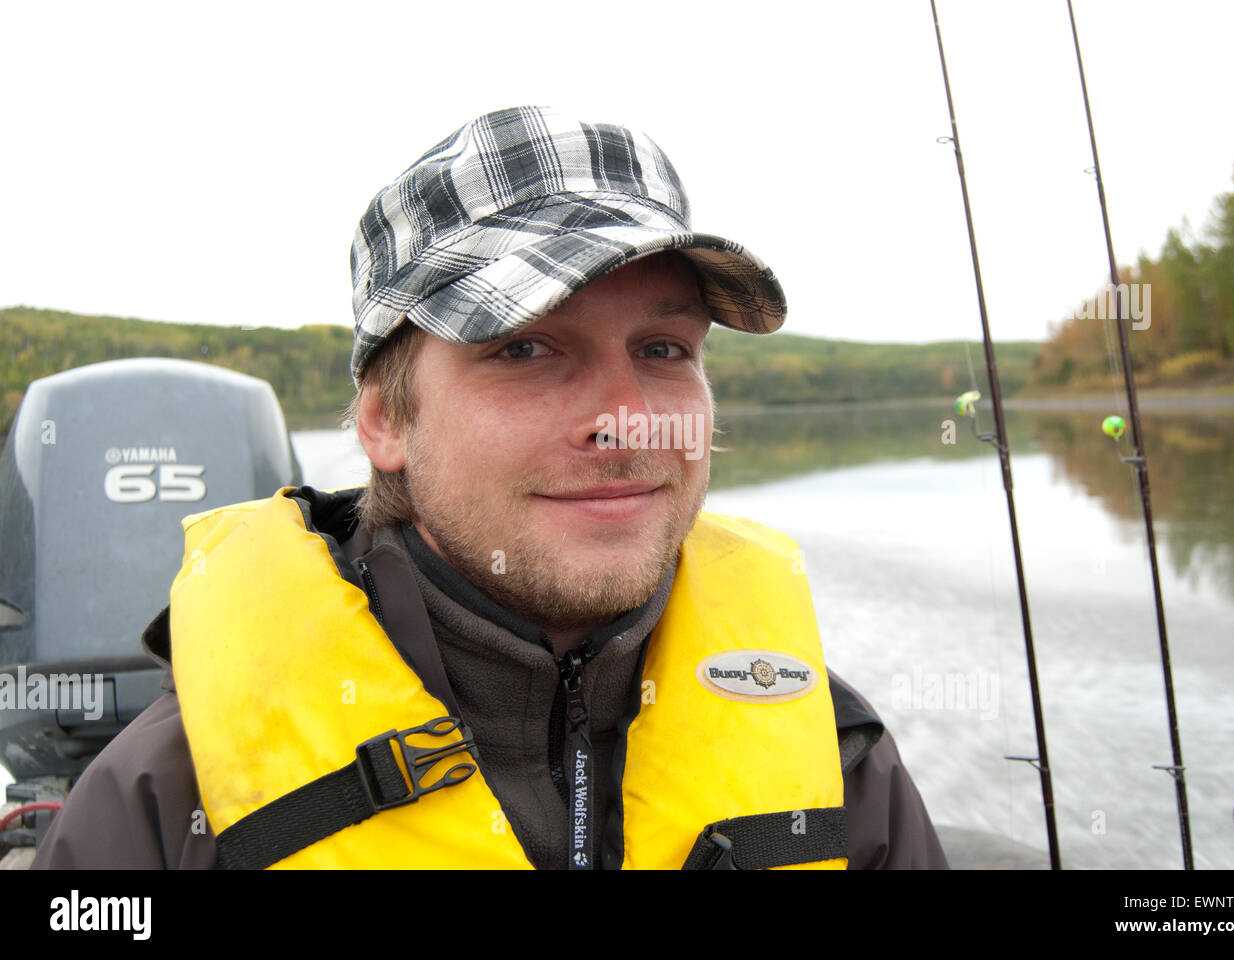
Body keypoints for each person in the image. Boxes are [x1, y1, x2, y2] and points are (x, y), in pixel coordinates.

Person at [34, 106, 947, 870]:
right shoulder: (164, 808)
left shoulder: (833, 755)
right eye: (524, 348)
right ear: (387, 420)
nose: (629, 419)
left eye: (663, 350)